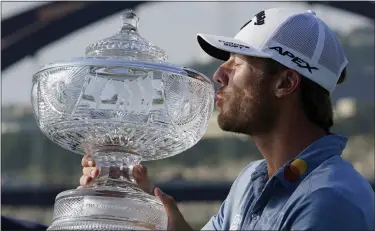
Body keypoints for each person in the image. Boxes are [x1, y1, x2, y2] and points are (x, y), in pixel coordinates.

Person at [80, 8, 375, 230]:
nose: (219, 75)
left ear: (285, 83)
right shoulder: (252, 181)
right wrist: (144, 206)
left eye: (237, 64)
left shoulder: (328, 201)